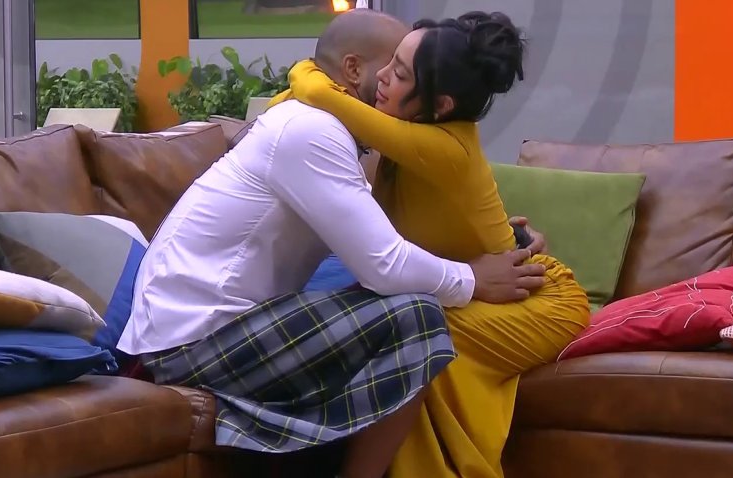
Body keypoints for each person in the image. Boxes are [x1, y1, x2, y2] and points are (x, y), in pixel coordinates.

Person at [117, 10, 549, 478]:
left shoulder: (331, 131)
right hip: (191, 341)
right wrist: (473, 279)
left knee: (402, 303)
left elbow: (384, 239)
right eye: (392, 64)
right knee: (417, 315)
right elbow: (385, 264)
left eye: (404, 72)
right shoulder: (311, 131)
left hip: (222, 327)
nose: (392, 76)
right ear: (353, 69)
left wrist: (506, 242)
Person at [278, 10, 591, 478]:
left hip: (539, 300)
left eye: (401, 73)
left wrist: (307, 67)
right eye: (389, 62)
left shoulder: (445, 146)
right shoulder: (403, 137)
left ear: (440, 105)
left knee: (416, 334)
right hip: (494, 279)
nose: (382, 77)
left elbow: (315, 90)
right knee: (402, 322)